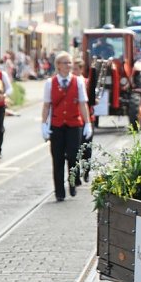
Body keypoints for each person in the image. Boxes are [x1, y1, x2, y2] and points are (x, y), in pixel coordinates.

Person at [41, 52, 93, 202]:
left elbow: (83, 104)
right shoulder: (50, 83)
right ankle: (59, 191)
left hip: (74, 125)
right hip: (57, 125)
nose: (68, 66)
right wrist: (44, 124)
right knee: (57, 159)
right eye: (65, 63)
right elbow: (46, 106)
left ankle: (72, 183)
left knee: (73, 156)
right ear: (58, 65)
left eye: (70, 63)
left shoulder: (78, 82)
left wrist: (87, 123)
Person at [72, 59, 93, 183]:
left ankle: (86, 171)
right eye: (72, 69)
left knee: (86, 149)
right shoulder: (70, 82)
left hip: (86, 119)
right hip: (74, 120)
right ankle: (76, 173)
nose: (73, 71)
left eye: (75, 69)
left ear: (81, 69)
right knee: (73, 150)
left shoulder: (86, 82)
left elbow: (91, 100)